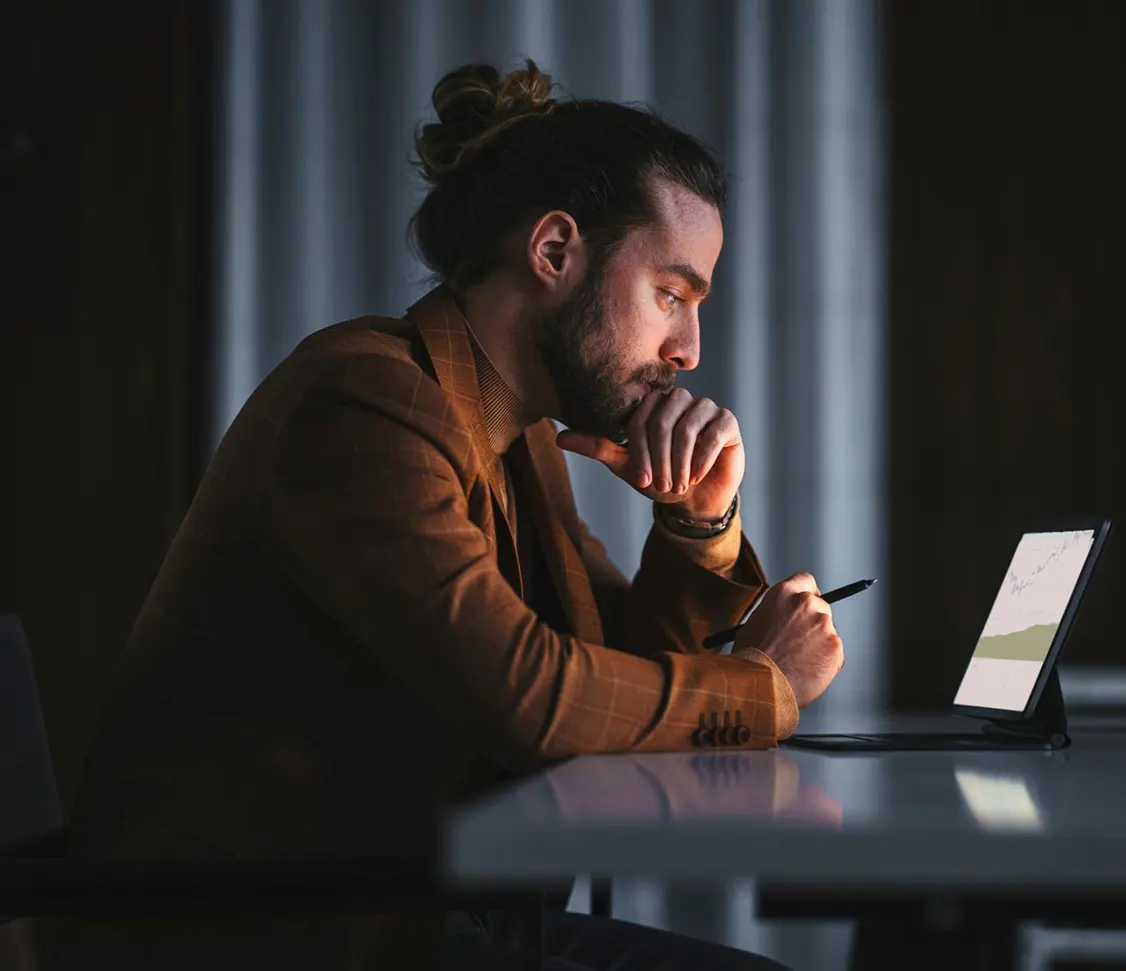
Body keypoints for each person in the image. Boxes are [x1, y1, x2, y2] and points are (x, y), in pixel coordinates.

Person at [56, 61, 846, 971]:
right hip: (270, 936)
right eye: (671, 295)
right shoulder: (363, 399)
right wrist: (763, 685)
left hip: (418, 923)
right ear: (554, 252)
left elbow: (613, 670)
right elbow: (534, 696)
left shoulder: (515, 437)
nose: (689, 349)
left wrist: (697, 526)